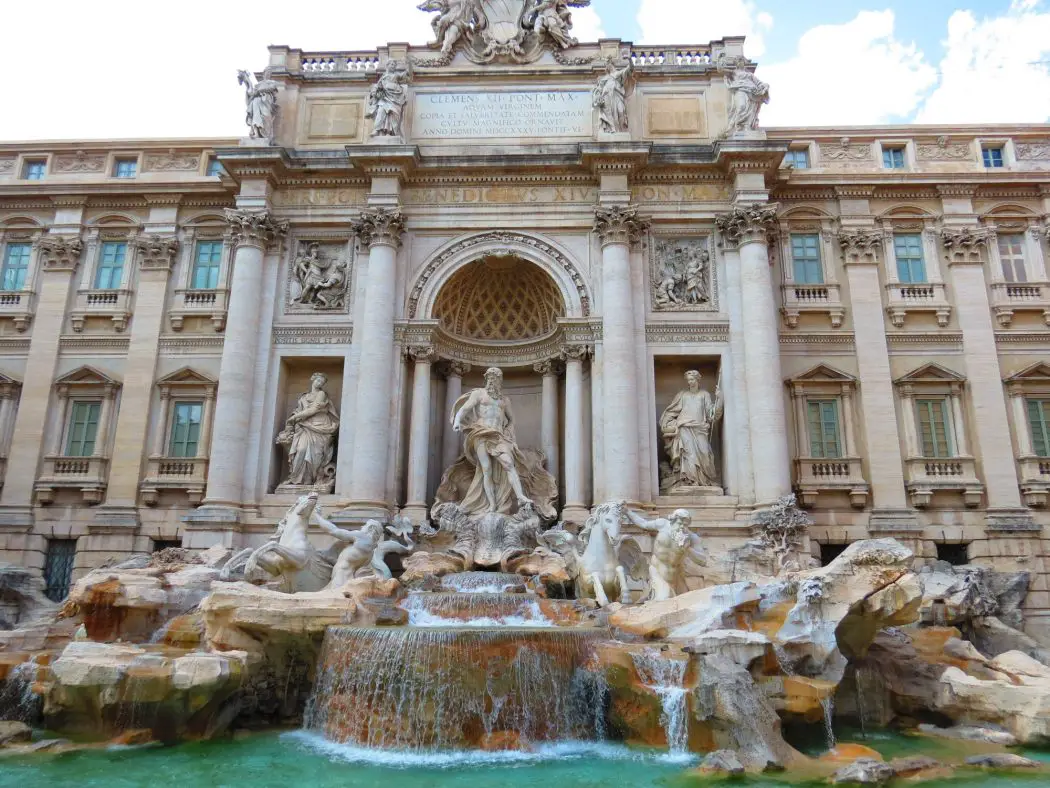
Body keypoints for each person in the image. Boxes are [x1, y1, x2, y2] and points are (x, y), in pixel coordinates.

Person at [623, 507, 707, 601]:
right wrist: (628, 511)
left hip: (676, 577)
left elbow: (703, 561)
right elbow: (643, 524)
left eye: (685, 525)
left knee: (685, 602)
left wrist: (687, 549)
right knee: (664, 598)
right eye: (679, 523)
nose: (682, 527)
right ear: (673, 520)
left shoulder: (691, 537)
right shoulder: (662, 524)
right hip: (657, 571)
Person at [659, 370, 723, 490]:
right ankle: (689, 481)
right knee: (689, 455)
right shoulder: (682, 395)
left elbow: (711, 415)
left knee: (705, 453)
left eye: (692, 379)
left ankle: (704, 480)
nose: (690, 382)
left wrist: (719, 399)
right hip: (684, 427)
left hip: (700, 429)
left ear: (698, 380)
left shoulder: (704, 394)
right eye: (688, 380)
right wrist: (667, 423)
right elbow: (671, 411)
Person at [278, 373, 340, 487]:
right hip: (304, 426)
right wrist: (295, 417)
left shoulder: (322, 394)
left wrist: (294, 418)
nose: (319, 383)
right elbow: (299, 410)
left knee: (316, 454)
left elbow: (314, 409)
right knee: (301, 450)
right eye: (318, 381)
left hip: (320, 425)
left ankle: (309, 480)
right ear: (313, 380)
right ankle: (296, 478)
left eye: (322, 382)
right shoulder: (303, 397)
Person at [367, 61, 409, 137]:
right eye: (391, 64)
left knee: (393, 113)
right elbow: (377, 86)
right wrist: (376, 91)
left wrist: (408, 68)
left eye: (394, 65)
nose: (393, 66)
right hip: (384, 96)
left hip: (395, 97)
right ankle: (377, 130)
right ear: (387, 66)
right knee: (381, 111)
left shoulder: (396, 75)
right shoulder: (383, 76)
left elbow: (404, 76)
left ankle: (391, 132)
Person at [593, 60, 631, 133]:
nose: (607, 66)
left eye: (608, 64)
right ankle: (612, 129)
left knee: (621, 111)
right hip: (607, 96)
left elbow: (629, 69)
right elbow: (599, 89)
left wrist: (630, 60)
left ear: (612, 64)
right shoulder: (605, 78)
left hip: (617, 96)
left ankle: (620, 130)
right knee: (609, 113)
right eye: (606, 65)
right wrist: (598, 96)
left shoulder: (618, 73)